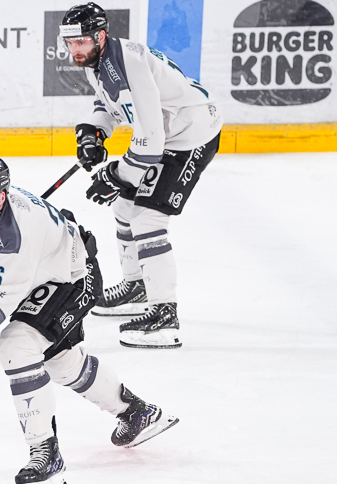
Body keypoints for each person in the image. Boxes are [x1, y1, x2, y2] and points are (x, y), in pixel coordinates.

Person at [0, 154, 178, 484]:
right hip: (38, 275)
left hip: (71, 278)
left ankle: (46, 456)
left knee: (16, 344)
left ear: (0, 197)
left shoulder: (13, 237)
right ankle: (138, 412)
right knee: (61, 362)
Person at [60, 3, 223, 348]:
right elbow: (109, 105)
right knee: (124, 208)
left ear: (99, 36)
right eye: (70, 43)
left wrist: (117, 174)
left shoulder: (127, 62)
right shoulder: (98, 58)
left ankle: (165, 314)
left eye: (81, 42)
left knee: (148, 218)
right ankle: (137, 286)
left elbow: (150, 142)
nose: (75, 50)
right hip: (167, 134)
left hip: (191, 134)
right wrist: (93, 132)